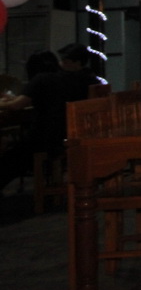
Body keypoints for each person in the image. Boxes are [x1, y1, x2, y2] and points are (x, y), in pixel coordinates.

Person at [0, 45, 94, 191]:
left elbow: (16, 105)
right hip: (70, 134)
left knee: (14, 156)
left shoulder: (41, 79)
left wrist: (3, 102)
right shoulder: (87, 79)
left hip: (46, 138)